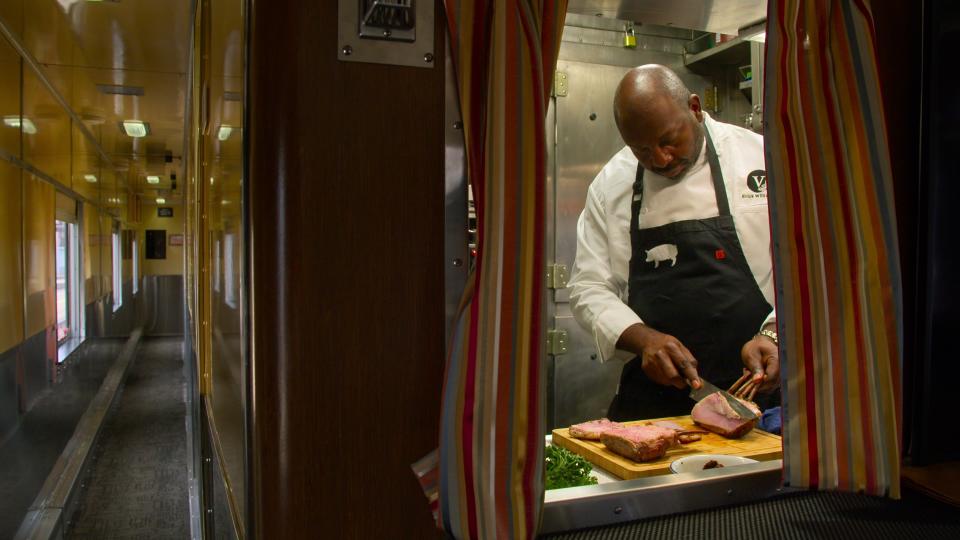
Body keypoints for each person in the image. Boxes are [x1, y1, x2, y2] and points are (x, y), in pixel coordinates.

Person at [568, 64, 780, 421]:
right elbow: (588, 286)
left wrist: (775, 335)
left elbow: (809, 268)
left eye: (669, 140)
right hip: (655, 402)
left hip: (757, 392)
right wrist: (643, 339)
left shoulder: (760, 158)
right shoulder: (611, 185)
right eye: (642, 150)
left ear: (695, 108)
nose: (661, 159)